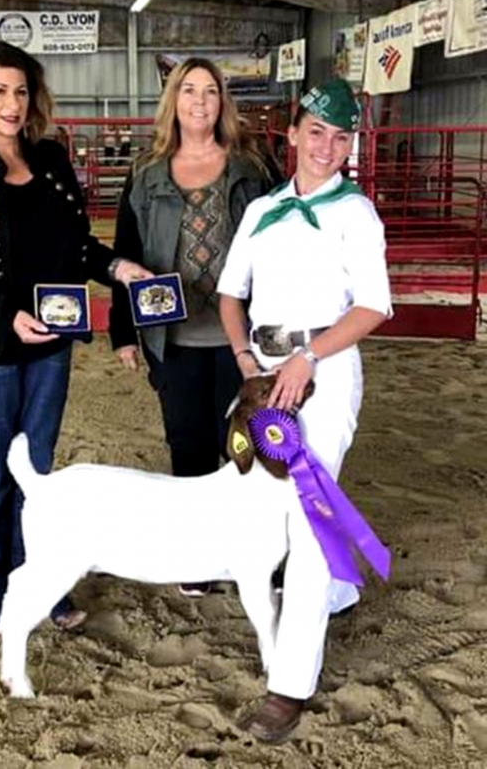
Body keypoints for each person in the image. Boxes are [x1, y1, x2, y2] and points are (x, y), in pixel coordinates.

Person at [0, 39, 150, 648]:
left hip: (50, 346)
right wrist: (7, 314)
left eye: (21, 91)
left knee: (38, 474)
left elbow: (77, 245)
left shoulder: (50, 159)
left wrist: (118, 268)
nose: (12, 103)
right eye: (0, 91)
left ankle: (40, 583)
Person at [217, 78, 392, 742]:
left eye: (341, 137)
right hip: (262, 375)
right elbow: (232, 294)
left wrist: (309, 357)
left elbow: (373, 306)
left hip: (323, 371)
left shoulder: (357, 213)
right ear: (291, 134)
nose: (327, 147)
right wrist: (243, 359)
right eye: (316, 132)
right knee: (262, 498)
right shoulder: (263, 208)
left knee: (311, 510)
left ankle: (290, 685)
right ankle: (339, 593)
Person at [108, 57, 276, 596]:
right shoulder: (145, 171)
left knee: (247, 444)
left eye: (210, 91)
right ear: (173, 100)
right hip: (171, 338)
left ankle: (258, 553)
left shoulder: (252, 166)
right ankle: (198, 556)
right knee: (187, 443)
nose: (200, 101)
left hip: (241, 337)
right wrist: (122, 331)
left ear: (222, 101)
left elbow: (279, 242)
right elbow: (126, 253)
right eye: (189, 91)